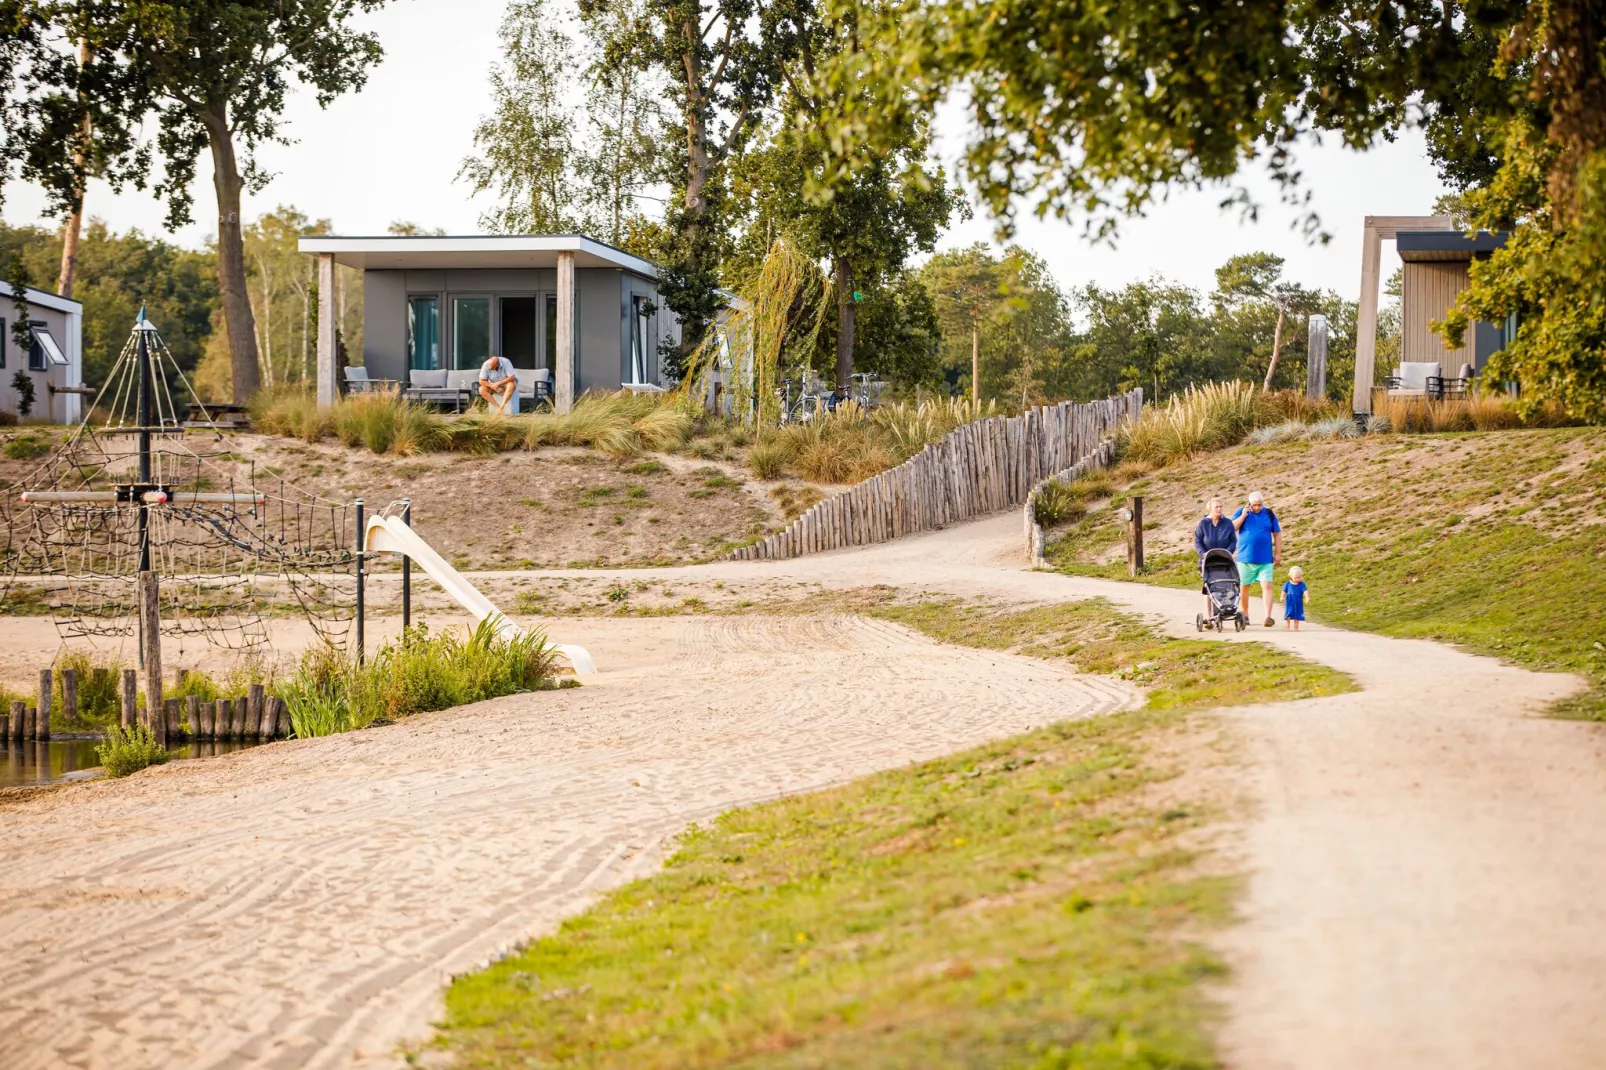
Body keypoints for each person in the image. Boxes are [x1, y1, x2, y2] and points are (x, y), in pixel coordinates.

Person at [1231, 490, 1282, 627]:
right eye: (1254, 505)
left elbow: (1277, 534)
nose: (1257, 508)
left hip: (1265, 558)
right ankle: (1245, 615)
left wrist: (1278, 554)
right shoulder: (1241, 511)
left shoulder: (1269, 514)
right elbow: (1232, 528)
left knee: (1267, 585)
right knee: (1244, 587)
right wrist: (1243, 515)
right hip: (1245, 558)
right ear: (1249, 503)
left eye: (1260, 505)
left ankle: (1268, 616)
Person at [1193, 497, 1236, 616]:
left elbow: (1233, 540)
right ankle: (1208, 615)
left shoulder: (1227, 523)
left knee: (1226, 583)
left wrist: (1228, 552)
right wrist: (1203, 553)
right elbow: (1197, 541)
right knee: (1208, 587)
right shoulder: (1203, 523)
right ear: (1210, 509)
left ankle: (1225, 608)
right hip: (1207, 560)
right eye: (1216, 507)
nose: (1219, 509)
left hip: (1224, 559)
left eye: (1220, 506)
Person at [1281, 566, 1309, 631]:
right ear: (1290, 576)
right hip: (1290, 601)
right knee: (1288, 614)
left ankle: (1296, 628)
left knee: (1297, 614)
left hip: (1298, 601)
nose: (1297, 579)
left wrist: (1307, 597)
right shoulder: (1287, 584)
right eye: (1295, 578)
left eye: (1299, 577)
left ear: (1302, 576)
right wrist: (1282, 597)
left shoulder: (1302, 584)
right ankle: (1287, 627)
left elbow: (1305, 591)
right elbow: (1284, 591)